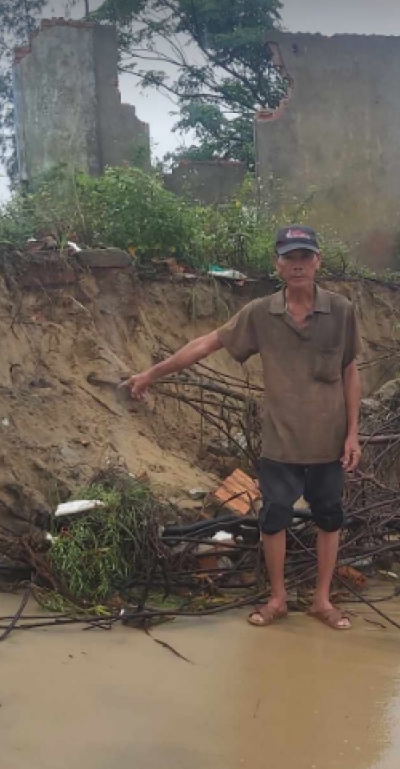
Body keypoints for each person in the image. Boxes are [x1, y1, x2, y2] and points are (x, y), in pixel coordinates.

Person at [124, 225, 362, 630]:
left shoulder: (341, 311)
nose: (298, 265)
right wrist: (152, 374)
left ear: (318, 261)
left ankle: (322, 601)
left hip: (328, 440)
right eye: (289, 257)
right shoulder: (260, 314)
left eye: (305, 256)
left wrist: (353, 432)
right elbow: (205, 344)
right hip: (280, 442)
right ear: (278, 265)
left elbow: (351, 371)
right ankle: (278, 598)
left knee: (329, 518)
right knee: (273, 519)